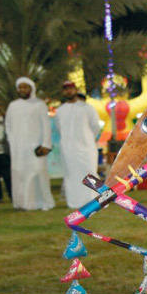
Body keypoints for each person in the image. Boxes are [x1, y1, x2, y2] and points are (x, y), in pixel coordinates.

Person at [5, 77, 54, 211]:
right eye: (20, 87)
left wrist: (46, 144)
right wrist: (12, 140)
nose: (23, 90)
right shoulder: (13, 106)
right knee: (19, 173)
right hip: (18, 148)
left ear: (31, 89)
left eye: (25, 87)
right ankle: (22, 203)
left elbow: (46, 126)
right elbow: (8, 125)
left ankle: (41, 202)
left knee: (38, 173)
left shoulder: (40, 105)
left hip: (36, 147)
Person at [55, 80, 100, 208]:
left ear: (75, 90)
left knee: (90, 172)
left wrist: (87, 139)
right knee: (71, 174)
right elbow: (59, 128)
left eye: (70, 88)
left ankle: (94, 200)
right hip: (68, 149)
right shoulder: (60, 110)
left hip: (86, 147)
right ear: (63, 92)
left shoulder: (87, 108)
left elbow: (95, 127)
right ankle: (74, 202)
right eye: (66, 89)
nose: (68, 91)